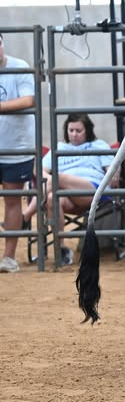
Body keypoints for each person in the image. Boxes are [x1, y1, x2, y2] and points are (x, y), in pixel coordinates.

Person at [22, 113, 117, 266]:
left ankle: (25, 216)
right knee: (52, 198)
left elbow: (112, 172)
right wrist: (50, 179)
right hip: (65, 193)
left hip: (92, 190)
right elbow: (39, 171)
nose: (74, 134)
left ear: (88, 131)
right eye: (70, 130)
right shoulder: (59, 147)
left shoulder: (98, 145)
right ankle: (62, 250)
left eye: (78, 131)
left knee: (57, 178)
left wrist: (114, 178)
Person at [0, 33, 35, 273]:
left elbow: (28, 99)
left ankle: (9, 258)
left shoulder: (18, 67)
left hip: (16, 147)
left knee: (12, 201)